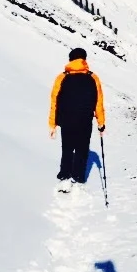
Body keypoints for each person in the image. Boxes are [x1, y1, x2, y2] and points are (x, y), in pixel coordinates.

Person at [49, 47, 105, 186]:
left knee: (67, 148)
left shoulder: (62, 77)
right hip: (85, 120)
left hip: (66, 120)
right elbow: (98, 102)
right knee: (82, 148)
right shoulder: (93, 77)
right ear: (84, 60)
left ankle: (64, 174)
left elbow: (54, 101)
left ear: (70, 59)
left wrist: (52, 124)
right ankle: (78, 177)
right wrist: (101, 122)